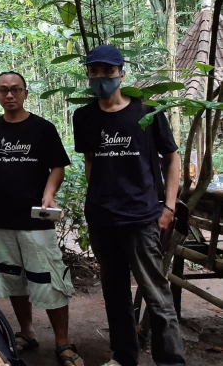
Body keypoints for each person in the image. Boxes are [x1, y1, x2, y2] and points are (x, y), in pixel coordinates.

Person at [73, 45, 185, 366]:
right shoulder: (84, 117)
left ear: (121, 73)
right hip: (103, 220)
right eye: (94, 71)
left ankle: (171, 361)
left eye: (108, 72)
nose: (101, 78)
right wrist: (95, 203)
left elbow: (172, 157)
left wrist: (169, 207)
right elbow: (91, 162)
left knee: (156, 294)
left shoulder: (147, 112)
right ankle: (124, 357)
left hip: (142, 219)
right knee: (115, 293)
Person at [0, 71, 82, 366]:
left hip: (36, 220)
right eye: (3, 90)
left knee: (49, 279)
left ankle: (63, 342)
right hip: (1, 220)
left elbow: (58, 166)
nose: (10, 95)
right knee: (14, 279)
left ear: (25, 93)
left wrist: (49, 194)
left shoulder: (42, 129)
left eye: (16, 90)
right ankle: (27, 332)